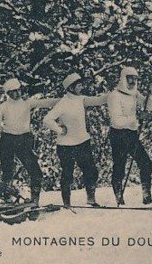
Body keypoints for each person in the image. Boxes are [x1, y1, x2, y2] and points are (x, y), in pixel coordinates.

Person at [43, 73, 107, 207]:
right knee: (67, 174)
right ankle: (67, 203)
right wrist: (60, 130)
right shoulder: (63, 103)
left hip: (82, 142)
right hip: (66, 145)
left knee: (91, 171)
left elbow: (99, 100)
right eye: (79, 85)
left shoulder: (81, 99)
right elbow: (47, 120)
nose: (81, 87)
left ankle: (91, 199)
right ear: (71, 88)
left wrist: (114, 94)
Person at [0, 78, 58, 205]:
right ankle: (7, 197)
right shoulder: (3, 107)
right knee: (7, 171)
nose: (16, 94)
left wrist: (65, 100)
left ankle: (34, 200)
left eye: (18, 90)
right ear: (8, 93)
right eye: (12, 92)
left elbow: (45, 102)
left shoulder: (27, 103)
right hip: (7, 140)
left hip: (23, 140)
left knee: (35, 170)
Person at [107, 66, 152, 206]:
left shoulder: (134, 93)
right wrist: (136, 119)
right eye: (130, 78)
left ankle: (147, 196)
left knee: (146, 164)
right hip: (118, 135)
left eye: (135, 78)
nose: (133, 81)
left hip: (131, 134)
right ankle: (118, 197)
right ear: (123, 78)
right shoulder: (114, 96)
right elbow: (117, 120)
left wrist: (151, 95)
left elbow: (148, 107)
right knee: (120, 167)